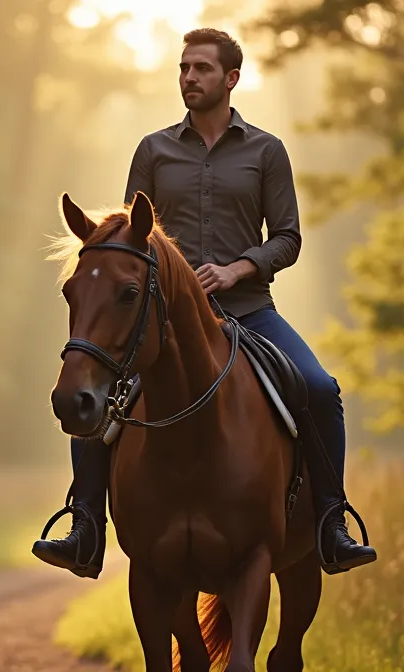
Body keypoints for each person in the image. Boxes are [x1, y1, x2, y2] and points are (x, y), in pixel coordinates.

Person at [32, 28, 376, 578]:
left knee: (318, 388)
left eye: (202, 69)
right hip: (165, 320)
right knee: (97, 392)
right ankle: (86, 526)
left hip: (249, 309)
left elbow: (287, 237)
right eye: (184, 68)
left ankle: (330, 523)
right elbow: (130, 235)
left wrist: (239, 266)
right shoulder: (154, 149)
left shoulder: (266, 151)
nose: (189, 77)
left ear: (231, 79)